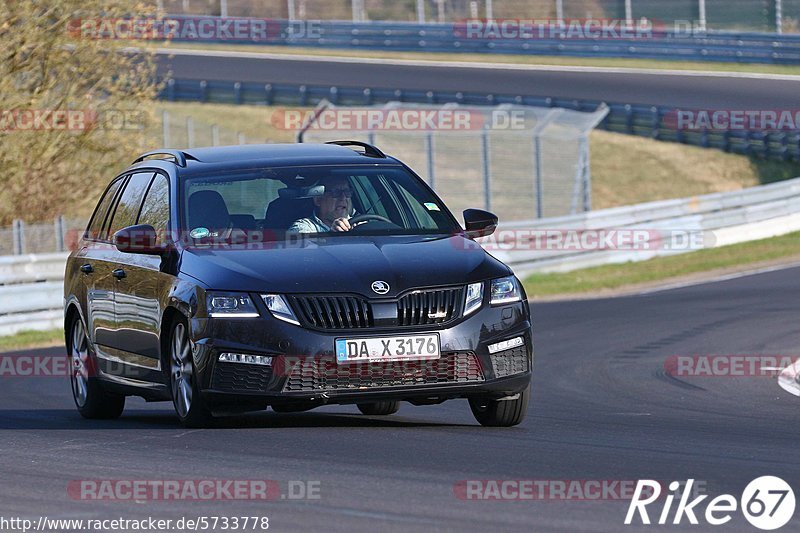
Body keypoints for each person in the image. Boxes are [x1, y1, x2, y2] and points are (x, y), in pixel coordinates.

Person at [288, 177, 354, 233]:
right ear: (318, 200)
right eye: (336, 192)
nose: (343, 197)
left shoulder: (360, 223)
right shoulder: (304, 227)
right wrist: (332, 235)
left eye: (347, 192)